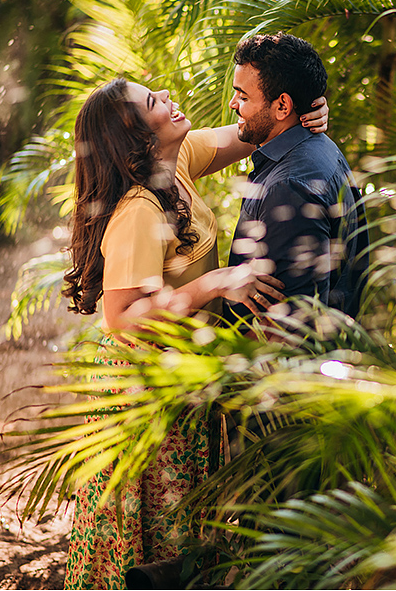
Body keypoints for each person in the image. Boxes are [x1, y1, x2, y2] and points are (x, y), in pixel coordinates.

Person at [59, 77, 329, 590]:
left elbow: (250, 131)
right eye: (154, 102)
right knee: (152, 536)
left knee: (182, 528)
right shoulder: (139, 210)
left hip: (181, 378)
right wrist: (214, 284)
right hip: (144, 391)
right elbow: (122, 316)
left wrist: (302, 113)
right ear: (136, 137)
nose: (169, 99)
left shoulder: (175, 162)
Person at [225, 32, 368, 332]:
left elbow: (288, 328)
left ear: (282, 106)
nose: (232, 104)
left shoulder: (289, 187)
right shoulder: (320, 146)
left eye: (243, 96)